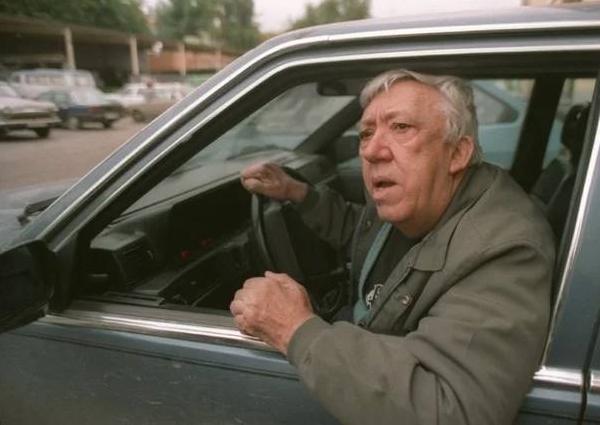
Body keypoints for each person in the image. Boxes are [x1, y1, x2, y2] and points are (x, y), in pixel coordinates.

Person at [231, 69, 555, 424]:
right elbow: (362, 234)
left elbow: (450, 410)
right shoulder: (416, 199)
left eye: (401, 127)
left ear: (457, 153)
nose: (371, 150)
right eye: (366, 133)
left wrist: (295, 329)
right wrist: (297, 194)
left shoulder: (503, 250)